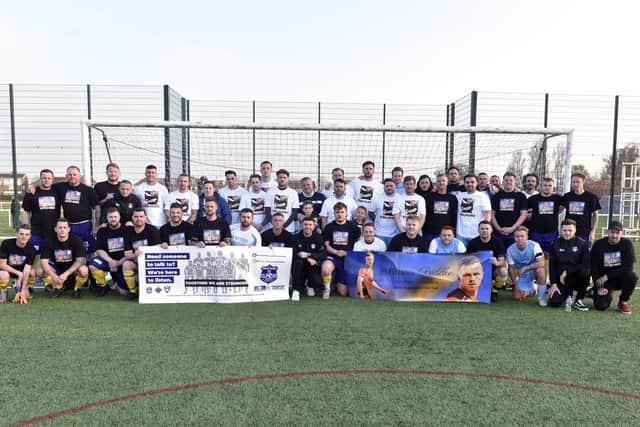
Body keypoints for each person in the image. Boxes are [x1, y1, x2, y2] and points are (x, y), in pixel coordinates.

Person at [89, 208, 137, 298]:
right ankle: (104, 285)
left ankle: (116, 281)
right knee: (92, 265)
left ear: (119, 217)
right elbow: (99, 250)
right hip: (108, 261)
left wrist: (118, 263)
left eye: (115, 217)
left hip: (123, 262)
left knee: (123, 292)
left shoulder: (127, 230)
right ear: (107, 218)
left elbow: (130, 252)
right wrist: (110, 261)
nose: (113, 219)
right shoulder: (102, 230)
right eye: (110, 217)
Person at [590, 221, 637, 314]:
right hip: (603, 282)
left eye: (617, 233)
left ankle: (623, 301)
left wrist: (607, 276)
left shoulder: (627, 244)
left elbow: (628, 268)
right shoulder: (598, 245)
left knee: (632, 276)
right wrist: (598, 285)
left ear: (622, 233)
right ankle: (602, 293)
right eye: (612, 232)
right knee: (601, 306)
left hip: (619, 278)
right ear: (608, 232)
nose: (614, 235)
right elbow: (593, 266)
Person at [38, 218, 89, 298]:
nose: (62, 230)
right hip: (56, 267)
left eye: (65, 228)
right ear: (55, 229)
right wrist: (53, 276)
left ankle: (77, 288)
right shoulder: (48, 241)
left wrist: (66, 274)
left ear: (69, 229)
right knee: (40, 271)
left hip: (72, 268)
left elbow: (80, 261)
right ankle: (59, 287)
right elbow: (43, 262)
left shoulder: (77, 240)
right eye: (60, 227)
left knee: (84, 270)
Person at [53, 165, 99, 254]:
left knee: (89, 252)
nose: (72, 176)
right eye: (69, 175)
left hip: (85, 225)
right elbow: (46, 184)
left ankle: (90, 267)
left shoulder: (88, 190)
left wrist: (96, 225)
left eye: (74, 174)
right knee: (71, 252)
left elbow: (97, 207)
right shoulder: (61, 187)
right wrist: (33, 187)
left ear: (79, 176)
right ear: (66, 176)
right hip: (69, 226)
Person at [547, 219, 590, 311]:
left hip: (577, 278)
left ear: (575, 230)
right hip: (562, 280)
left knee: (585, 272)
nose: (567, 233)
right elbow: (552, 265)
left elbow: (585, 265)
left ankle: (579, 299)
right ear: (560, 230)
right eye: (564, 230)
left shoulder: (582, 244)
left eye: (570, 230)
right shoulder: (556, 243)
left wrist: (568, 271)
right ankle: (567, 294)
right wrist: (553, 284)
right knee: (554, 303)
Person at [321, 202, 361, 298]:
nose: (340, 214)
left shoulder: (352, 226)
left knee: (343, 293)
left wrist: (348, 253)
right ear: (334, 213)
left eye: (342, 212)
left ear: (346, 213)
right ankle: (327, 289)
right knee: (326, 269)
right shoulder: (329, 227)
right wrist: (336, 252)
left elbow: (359, 241)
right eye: (337, 212)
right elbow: (326, 245)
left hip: (347, 260)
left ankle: (335, 282)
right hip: (333, 257)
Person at [528, 177, 564, 275]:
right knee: (536, 254)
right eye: (545, 185)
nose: (547, 188)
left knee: (548, 255)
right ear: (540, 187)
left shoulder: (558, 198)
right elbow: (525, 212)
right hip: (536, 232)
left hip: (551, 232)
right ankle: (535, 276)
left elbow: (563, 207)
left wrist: (557, 212)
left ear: (553, 187)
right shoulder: (533, 199)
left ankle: (547, 277)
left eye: (550, 186)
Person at [466, 220, 508, 302]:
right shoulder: (473, 243)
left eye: (487, 228)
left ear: (491, 230)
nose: (484, 231)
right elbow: (467, 260)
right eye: (482, 229)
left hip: (493, 269)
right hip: (477, 271)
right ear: (478, 230)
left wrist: (496, 263)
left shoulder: (497, 242)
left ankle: (494, 291)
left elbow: (502, 261)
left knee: (503, 271)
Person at [506, 226, 548, 306]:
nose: (520, 238)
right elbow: (510, 268)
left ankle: (541, 298)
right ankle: (532, 289)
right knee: (517, 296)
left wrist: (526, 267)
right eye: (517, 236)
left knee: (541, 270)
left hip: (534, 271)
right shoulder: (510, 250)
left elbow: (541, 263)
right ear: (514, 237)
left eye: (522, 236)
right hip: (523, 275)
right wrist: (516, 286)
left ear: (527, 237)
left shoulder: (534, 245)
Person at [21, 168, 60, 253]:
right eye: (44, 178)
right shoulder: (31, 192)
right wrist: (26, 228)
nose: (47, 180)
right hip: (36, 232)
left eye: (49, 178)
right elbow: (26, 212)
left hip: (53, 232)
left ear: (52, 180)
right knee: (34, 257)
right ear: (40, 179)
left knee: (51, 257)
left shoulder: (57, 191)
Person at [290, 216, 327, 300]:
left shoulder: (318, 238)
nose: (308, 227)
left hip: (312, 266)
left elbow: (323, 254)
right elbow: (291, 253)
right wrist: (302, 256)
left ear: (314, 226)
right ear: (301, 226)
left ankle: (310, 285)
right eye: (305, 224)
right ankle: (296, 290)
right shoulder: (295, 238)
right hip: (299, 267)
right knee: (298, 262)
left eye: (310, 225)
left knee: (317, 282)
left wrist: (309, 255)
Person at [561, 172, 601, 246]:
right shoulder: (567, 196)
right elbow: (558, 211)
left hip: (585, 233)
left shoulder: (591, 197)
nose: (575, 184)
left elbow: (595, 215)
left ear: (583, 182)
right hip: (569, 233)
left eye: (578, 182)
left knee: (585, 256)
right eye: (573, 182)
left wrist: (593, 232)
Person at [0, 224, 36, 304]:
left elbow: (27, 270)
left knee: (32, 272)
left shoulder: (31, 249)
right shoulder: (6, 243)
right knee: (3, 275)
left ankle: (25, 287)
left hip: (22, 273)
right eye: (21, 234)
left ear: (30, 236)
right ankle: (4, 290)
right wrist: (18, 273)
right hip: (7, 271)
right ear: (16, 234)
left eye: (27, 234)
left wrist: (22, 289)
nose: (24, 237)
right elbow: (2, 265)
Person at [491, 172, 529, 248]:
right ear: (503, 182)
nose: (508, 182)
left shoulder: (521, 196)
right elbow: (492, 214)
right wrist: (498, 228)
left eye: (511, 180)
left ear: (515, 182)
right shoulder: (496, 196)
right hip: (498, 232)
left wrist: (513, 228)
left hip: (515, 233)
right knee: (500, 256)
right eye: (506, 180)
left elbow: (524, 214)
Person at [456, 174, 492, 246]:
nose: (470, 184)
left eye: (472, 182)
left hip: (477, 235)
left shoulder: (483, 197)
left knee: (475, 257)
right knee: (461, 257)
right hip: (461, 235)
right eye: (467, 182)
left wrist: (484, 232)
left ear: (477, 183)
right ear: (464, 183)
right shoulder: (459, 196)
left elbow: (487, 217)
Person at [423, 174, 458, 246]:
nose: (441, 183)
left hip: (446, 234)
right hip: (429, 232)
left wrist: (452, 231)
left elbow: (454, 216)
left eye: (443, 181)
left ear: (447, 182)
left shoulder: (452, 198)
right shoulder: (428, 197)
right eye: (439, 181)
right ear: (436, 183)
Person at [134, 164, 169, 228]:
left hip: (161, 224)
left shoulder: (162, 188)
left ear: (156, 174)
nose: (151, 174)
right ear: (145, 173)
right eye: (149, 172)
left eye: (153, 173)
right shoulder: (139, 189)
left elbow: (167, 206)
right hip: (145, 224)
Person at [368, 178, 400, 246]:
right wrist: (378, 221)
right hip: (379, 233)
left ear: (395, 186)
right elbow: (371, 212)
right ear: (384, 187)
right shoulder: (377, 197)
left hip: (394, 234)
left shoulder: (400, 198)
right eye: (387, 186)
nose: (389, 188)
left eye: (391, 186)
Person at [268, 169, 300, 233]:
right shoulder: (270, 192)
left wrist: (284, 226)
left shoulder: (293, 193)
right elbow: (267, 212)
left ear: (288, 179)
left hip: (289, 229)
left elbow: (294, 213)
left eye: (284, 177)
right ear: (277, 178)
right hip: (273, 229)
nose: (282, 179)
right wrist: (275, 225)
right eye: (280, 177)